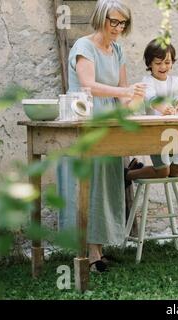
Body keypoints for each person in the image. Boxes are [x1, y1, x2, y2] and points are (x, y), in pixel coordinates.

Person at [57, 0, 145, 272]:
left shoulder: (117, 49)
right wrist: (126, 92)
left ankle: (99, 247)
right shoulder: (84, 46)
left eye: (123, 23)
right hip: (85, 118)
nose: (118, 28)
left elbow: (122, 91)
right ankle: (91, 253)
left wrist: (136, 99)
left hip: (109, 122)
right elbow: (89, 86)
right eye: (114, 21)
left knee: (106, 183)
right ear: (101, 19)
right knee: (88, 183)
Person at [125, 39, 178, 181]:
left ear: (172, 62)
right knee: (163, 172)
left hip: (176, 132)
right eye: (158, 63)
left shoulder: (175, 81)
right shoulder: (147, 81)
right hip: (156, 133)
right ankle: (128, 174)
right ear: (149, 64)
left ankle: (135, 168)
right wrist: (165, 109)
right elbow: (152, 100)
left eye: (167, 62)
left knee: (176, 171)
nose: (163, 66)